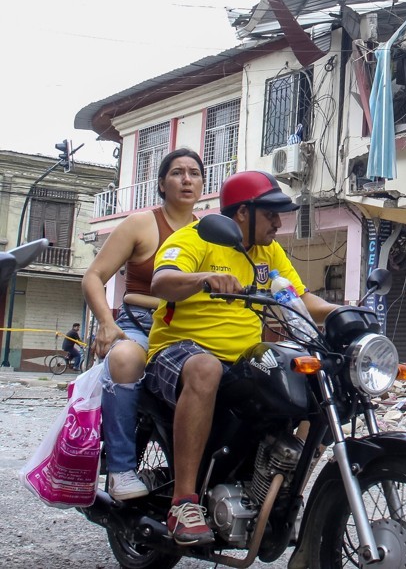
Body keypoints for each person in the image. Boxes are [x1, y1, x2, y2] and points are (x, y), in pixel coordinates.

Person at [146, 170, 339, 545]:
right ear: (242, 214)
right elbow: (161, 282)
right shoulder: (196, 237)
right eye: (270, 214)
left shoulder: (269, 252)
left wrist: (343, 313)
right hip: (179, 351)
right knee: (205, 368)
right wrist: (203, 278)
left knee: (316, 380)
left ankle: (281, 492)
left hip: (242, 359)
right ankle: (182, 502)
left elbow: (298, 298)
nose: (278, 223)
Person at [81, 148, 204, 501]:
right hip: (141, 323)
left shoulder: (208, 230)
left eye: (194, 173)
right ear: (162, 184)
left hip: (191, 327)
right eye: (177, 172)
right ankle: (120, 468)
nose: (186, 179)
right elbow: (93, 276)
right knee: (123, 360)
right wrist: (106, 322)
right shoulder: (141, 224)